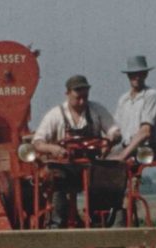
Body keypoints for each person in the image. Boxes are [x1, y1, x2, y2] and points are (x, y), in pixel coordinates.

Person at [33, 75, 119, 227]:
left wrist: (111, 138)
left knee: (110, 178)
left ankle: (100, 222)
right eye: (78, 98)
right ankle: (56, 224)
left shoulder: (96, 110)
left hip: (91, 165)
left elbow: (114, 130)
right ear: (67, 94)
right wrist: (53, 148)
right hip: (65, 166)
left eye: (85, 97)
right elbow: (37, 142)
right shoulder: (56, 115)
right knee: (57, 179)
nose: (82, 102)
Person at [111, 55, 156, 160]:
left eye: (140, 74)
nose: (137, 77)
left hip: (147, 148)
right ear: (128, 75)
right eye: (133, 74)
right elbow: (116, 129)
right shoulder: (124, 99)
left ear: (146, 74)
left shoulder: (152, 96)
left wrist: (122, 156)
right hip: (128, 146)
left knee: (109, 164)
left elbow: (145, 132)